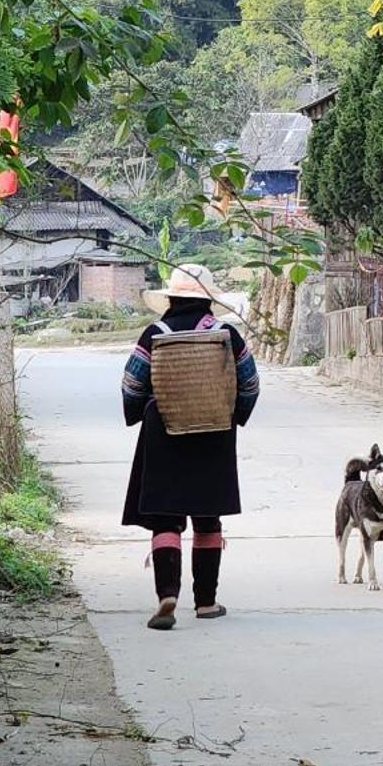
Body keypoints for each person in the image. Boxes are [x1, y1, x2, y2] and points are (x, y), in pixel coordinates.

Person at [120, 263, 260, 629]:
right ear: (207, 301)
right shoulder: (227, 335)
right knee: (207, 515)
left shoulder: (154, 333)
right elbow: (250, 384)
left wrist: (142, 413)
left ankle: (167, 593)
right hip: (214, 431)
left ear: (171, 298)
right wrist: (232, 416)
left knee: (166, 516)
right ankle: (206, 603)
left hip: (163, 430)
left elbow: (132, 384)